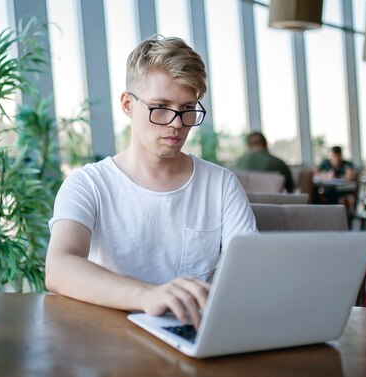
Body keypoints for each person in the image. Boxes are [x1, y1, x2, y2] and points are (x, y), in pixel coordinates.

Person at [45, 36, 257, 329]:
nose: (177, 123)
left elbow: (251, 274)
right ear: (128, 104)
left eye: (187, 108)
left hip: (193, 334)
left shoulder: (221, 185)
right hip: (108, 338)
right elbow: (59, 267)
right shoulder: (88, 184)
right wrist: (149, 295)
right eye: (160, 106)